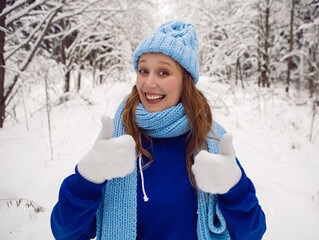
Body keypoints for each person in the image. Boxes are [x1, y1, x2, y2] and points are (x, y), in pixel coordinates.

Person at [51, 20, 266, 240]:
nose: (149, 83)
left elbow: (252, 234)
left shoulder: (212, 142)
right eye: (144, 70)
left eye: (163, 72)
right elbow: (66, 233)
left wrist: (235, 189)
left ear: (186, 81)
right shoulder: (119, 141)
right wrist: (86, 178)